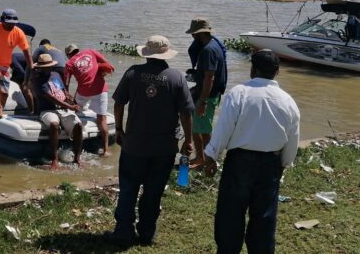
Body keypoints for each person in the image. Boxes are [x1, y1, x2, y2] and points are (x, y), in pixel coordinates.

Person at [203, 49, 300, 254]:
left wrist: (212, 155)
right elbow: (292, 140)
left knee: (230, 214)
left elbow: (224, 129)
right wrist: (283, 164)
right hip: (270, 164)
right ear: (277, 72)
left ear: (253, 69)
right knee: (264, 217)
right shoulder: (288, 100)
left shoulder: (239, 93)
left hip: (239, 162)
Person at [106, 35, 193, 247]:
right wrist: (188, 141)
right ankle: (146, 234)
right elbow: (186, 114)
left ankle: (123, 232)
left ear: (146, 54)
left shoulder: (132, 74)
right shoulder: (177, 78)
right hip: (164, 149)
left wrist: (119, 129)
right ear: (166, 55)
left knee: (128, 189)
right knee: (153, 193)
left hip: (134, 145)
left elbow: (118, 103)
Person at [185, 17, 227, 168]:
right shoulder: (213, 44)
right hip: (208, 92)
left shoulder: (208, 50)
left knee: (203, 129)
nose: (192, 36)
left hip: (208, 95)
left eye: (193, 33)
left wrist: (202, 101)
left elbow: (210, 77)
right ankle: (201, 157)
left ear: (197, 33)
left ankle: (207, 161)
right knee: (198, 126)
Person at [33, 53, 83, 170]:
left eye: (49, 66)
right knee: (54, 124)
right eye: (44, 67)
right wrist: (69, 107)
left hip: (63, 109)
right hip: (47, 110)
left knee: (79, 125)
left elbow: (62, 89)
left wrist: (68, 96)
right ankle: (54, 159)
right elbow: (50, 97)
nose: (47, 69)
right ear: (40, 67)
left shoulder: (56, 74)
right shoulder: (37, 80)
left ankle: (77, 158)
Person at [64, 44, 115, 156]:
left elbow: (66, 82)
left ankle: (73, 140)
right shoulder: (91, 51)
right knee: (102, 119)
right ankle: (106, 150)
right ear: (78, 49)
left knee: (75, 110)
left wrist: (67, 96)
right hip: (101, 89)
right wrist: (103, 72)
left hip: (83, 92)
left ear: (68, 55)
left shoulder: (69, 63)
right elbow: (109, 66)